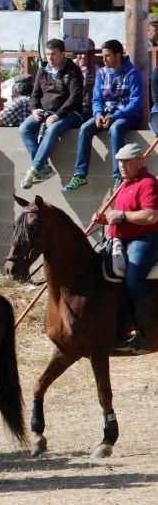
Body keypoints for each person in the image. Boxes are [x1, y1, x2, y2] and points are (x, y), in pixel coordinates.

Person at [91, 143, 158, 353]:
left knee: (134, 276)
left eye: (127, 161)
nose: (122, 165)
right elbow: (122, 216)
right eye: (120, 161)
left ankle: (144, 335)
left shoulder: (148, 183)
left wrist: (120, 215)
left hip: (144, 239)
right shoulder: (125, 183)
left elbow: (151, 216)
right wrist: (105, 220)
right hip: (120, 240)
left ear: (140, 160)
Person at [64, 40, 143, 193]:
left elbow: (135, 103)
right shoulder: (102, 73)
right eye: (103, 55)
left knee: (115, 128)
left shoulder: (132, 74)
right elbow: (97, 99)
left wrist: (116, 116)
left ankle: (118, 176)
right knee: (86, 127)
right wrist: (98, 114)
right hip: (106, 114)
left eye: (107, 56)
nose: (104, 59)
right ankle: (80, 173)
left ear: (118, 55)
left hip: (128, 116)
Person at [18, 38, 84, 189]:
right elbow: (35, 94)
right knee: (24, 128)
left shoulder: (73, 71)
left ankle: (34, 169)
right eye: (47, 54)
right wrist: (34, 109)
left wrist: (57, 115)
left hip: (69, 113)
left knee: (53, 129)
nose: (50, 58)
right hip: (44, 112)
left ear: (62, 54)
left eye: (53, 54)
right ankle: (44, 168)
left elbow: (75, 97)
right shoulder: (43, 70)